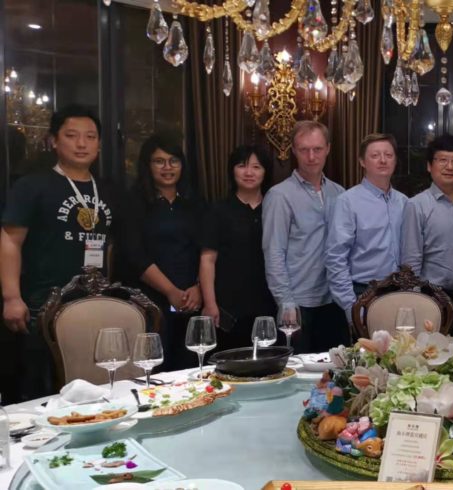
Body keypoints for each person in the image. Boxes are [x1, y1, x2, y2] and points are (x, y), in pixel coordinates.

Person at [1, 105, 114, 400]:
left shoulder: (107, 190)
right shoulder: (32, 186)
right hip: (42, 305)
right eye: (72, 136)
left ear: (99, 144)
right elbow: (10, 240)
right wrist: (11, 297)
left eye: (90, 137)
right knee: (41, 390)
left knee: (92, 389)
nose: (82, 144)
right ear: (53, 141)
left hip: (93, 304)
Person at [119, 132, 206, 370]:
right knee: (155, 369)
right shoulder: (133, 202)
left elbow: (206, 251)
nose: (167, 168)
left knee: (191, 369)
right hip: (149, 302)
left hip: (191, 299)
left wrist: (198, 287)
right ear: (148, 165)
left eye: (173, 161)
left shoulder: (195, 202)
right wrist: (170, 291)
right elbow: (135, 255)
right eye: (159, 161)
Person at [263, 121, 347, 353]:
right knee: (297, 371)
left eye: (317, 149)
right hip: (297, 304)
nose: (311, 156)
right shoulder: (279, 196)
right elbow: (274, 252)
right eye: (304, 150)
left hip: (334, 300)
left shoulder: (340, 194)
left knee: (334, 370)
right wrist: (285, 302)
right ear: (294, 150)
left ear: (328, 148)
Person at [199, 144, 277, 352]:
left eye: (256, 167)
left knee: (268, 364)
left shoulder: (275, 208)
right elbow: (207, 260)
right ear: (232, 170)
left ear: (266, 172)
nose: (249, 172)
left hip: (269, 304)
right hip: (228, 307)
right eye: (242, 166)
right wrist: (210, 303)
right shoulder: (218, 211)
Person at [400, 135, 453, 335]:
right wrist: (415, 299)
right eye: (442, 160)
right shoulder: (416, 205)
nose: (449, 166)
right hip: (433, 298)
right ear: (430, 166)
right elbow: (411, 258)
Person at [325, 133, 408, 323]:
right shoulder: (348, 201)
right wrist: (351, 306)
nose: (383, 160)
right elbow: (335, 257)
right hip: (363, 292)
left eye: (388, 155)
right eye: (375, 155)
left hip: (400, 292)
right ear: (362, 161)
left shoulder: (404, 202)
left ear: (395, 160)